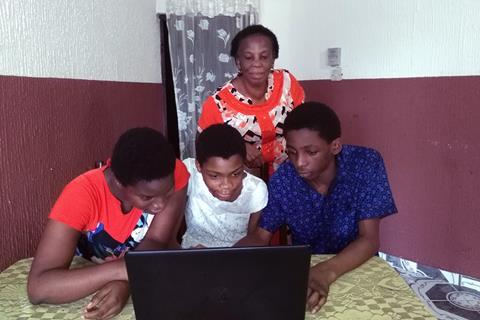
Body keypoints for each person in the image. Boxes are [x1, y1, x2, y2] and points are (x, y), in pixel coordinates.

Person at [237, 101, 398, 313]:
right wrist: (223, 261)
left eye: (311, 152)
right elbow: (260, 236)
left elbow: (369, 239)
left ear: (335, 146)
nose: (299, 162)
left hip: (357, 265)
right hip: (307, 274)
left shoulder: (365, 163)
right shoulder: (284, 179)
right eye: (292, 152)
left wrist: (324, 273)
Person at [27, 127, 189, 320]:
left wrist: (125, 283)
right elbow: (39, 288)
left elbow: (156, 240)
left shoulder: (173, 171)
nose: (161, 204)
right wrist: (123, 270)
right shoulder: (81, 194)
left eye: (168, 192)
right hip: (86, 287)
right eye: (147, 197)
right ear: (119, 182)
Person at [198, 24, 305, 175]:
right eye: (248, 57)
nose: (257, 63)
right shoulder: (218, 102)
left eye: (264, 56)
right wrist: (238, 146)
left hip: (292, 170)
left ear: (273, 59)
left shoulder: (286, 82)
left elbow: (304, 123)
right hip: (246, 178)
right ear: (238, 62)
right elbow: (205, 143)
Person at [181, 123, 268, 248]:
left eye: (235, 174)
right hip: (193, 254)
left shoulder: (256, 190)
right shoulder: (189, 173)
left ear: (243, 164)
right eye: (214, 176)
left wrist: (222, 259)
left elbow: (254, 238)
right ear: (199, 166)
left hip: (236, 257)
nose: (226, 185)